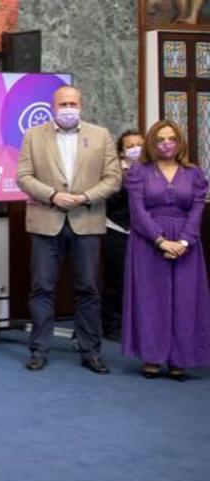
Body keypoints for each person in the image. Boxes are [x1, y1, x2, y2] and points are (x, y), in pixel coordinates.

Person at [15, 85, 121, 374]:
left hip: (86, 221)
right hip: (46, 220)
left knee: (88, 288)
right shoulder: (34, 135)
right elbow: (23, 177)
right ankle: (39, 350)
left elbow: (113, 178)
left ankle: (91, 352)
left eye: (73, 103)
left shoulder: (101, 136)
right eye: (63, 104)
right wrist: (52, 195)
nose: (68, 108)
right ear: (53, 106)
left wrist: (87, 197)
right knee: (42, 288)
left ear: (82, 105)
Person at [122, 120, 210, 379]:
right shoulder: (139, 172)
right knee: (151, 300)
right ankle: (152, 356)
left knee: (185, 301)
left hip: (187, 245)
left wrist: (183, 242)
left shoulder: (194, 173)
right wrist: (161, 241)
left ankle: (179, 358)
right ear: (152, 143)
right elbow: (137, 212)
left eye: (171, 138)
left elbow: (197, 209)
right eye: (160, 139)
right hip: (148, 244)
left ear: (180, 141)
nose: (166, 143)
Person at [101, 130, 142, 341]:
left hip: (142, 232)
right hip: (116, 229)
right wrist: (123, 181)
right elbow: (106, 204)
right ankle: (112, 326)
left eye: (139, 144)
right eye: (130, 145)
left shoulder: (151, 170)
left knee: (140, 280)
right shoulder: (114, 173)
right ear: (121, 151)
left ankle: (136, 323)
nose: (136, 149)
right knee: (115, 280)